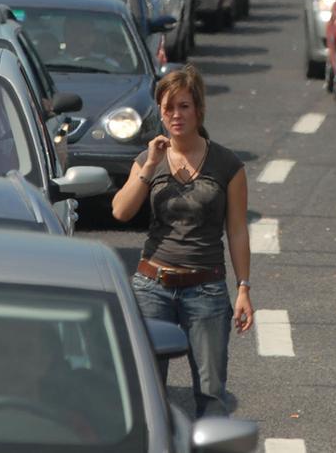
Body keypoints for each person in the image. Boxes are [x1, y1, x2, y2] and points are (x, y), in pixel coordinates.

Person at [110, 66, 251, 418]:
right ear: (160, 111)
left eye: (184, 106)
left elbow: (236, 230)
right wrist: (150, 165)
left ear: (198, 110)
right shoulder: (149, 160)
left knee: (211, 392)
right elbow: (121, 212)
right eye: (169, 107)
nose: (176, 115)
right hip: (152, 286)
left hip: (206, 289)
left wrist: (244, 288)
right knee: (147, 390)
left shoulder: (227, 164)